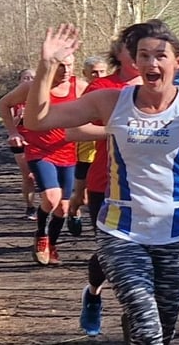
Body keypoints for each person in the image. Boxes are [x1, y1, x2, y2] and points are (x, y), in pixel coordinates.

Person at [24, 5, 179, 345]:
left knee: (164, 327)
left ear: (176, 61)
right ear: (134, 62)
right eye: (143, 55)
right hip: (122, 231)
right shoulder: (111, 101)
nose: (151, 63)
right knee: (148, 328)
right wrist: (47, 66)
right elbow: (38, 120)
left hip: (177, 231)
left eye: (160, 55)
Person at [66, 37, 142, 336]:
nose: (140, 55)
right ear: (119, 53)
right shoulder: (101, 87)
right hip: (105, 183)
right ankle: (94, 293)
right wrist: (118, 130)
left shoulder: (160, 86)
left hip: (151, 184)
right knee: (110, 252)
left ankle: (134, 312)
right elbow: (75, 130)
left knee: (143, 250)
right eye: (133, 48)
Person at [0, 56, 88, 265]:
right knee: (50, 197)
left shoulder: (81, 87)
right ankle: (41, 235)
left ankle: (52, 245)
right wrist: (13, 132)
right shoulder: (33, 87)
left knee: (63, 209)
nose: (65, 70)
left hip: (67, 151)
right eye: (60, 65)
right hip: (39, 150)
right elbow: (4, 103)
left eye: (69, 65)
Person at [69, 55, 110, 235]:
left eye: (102, 71)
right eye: (94, 72)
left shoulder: (111, 90)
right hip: (86, 150)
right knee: (81, 196)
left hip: (105, 152)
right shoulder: (82, 91)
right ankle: (73, 210)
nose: (98, 75)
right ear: (85, 73)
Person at [0, 68, 38, 220]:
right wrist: (19, 117)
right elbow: (8, 125)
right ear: (20, 81)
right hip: (19, 139)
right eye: (25, 78)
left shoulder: (41, 96)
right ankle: (30, 207)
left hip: (39, 140)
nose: (29, 81)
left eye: (32, 78)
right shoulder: (14, 100)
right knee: (28, 176)